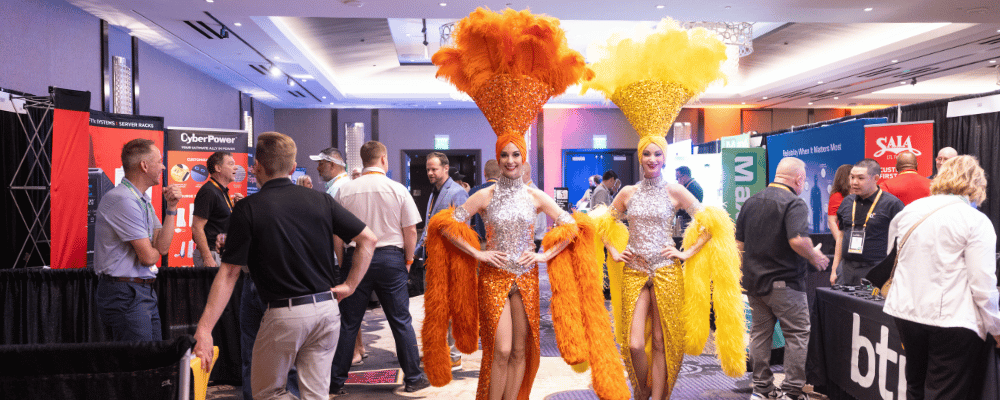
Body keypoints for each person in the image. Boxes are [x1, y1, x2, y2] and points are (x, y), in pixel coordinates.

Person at [425, 8, 627, 400]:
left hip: (528, 275)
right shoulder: (484, 193)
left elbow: (572, 225)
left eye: (517, 156)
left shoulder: (536, 196)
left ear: (524, 159)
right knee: (498, 350)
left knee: (521, 349)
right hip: (495, 275)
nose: (512, 162)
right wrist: (480, 255)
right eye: (506, 156)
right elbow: (446, 228)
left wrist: (542, 255)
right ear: (498, 159)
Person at [582, 19, 744, 400]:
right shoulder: (627, 193)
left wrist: (686, 251)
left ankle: (658, 397)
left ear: (665, 157)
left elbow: (712, 221)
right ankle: (642, 391)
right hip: (636, 267)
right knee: (635, 342)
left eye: (658, 153)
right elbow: (603, 225)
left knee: (662, 338)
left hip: (668, 270)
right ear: (639, 157)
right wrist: (612, 251)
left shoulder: (674, 191)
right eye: (646, 153)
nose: (652, 158)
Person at [193, 132, 378, 400]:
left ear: (256, 167)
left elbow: (230, 273)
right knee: (316, 394)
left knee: (267, 393)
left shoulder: (247, 208)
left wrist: (204, 329)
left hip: (285, 313)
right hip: (327, 310)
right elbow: (368, 240)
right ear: (292, 169)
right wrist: (350, 285)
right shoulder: (322, 200)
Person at [883, 155, 1000, 400]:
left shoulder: (909, 211)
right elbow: (982, 284)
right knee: (944, 392)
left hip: (905, 312)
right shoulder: (975, 221)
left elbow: (892, 259)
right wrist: (996, 326)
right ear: (977, 185)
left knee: (915, 385)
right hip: (950, 319)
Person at [329, 141, 429, 393]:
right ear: (383, 159)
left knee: (349, 322)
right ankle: (414, 379)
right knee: (400, 320)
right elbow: (410, 231)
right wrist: (407, 261)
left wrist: (343, 263)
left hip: (355, 257)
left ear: (362, 161)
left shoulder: (346, 190)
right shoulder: (397, 189)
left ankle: (336, 382)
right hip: (390, 258)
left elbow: (337, 234)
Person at [736, 157, 830, 400]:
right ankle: (792, 392)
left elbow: (738, 245)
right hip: (786, 284)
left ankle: (761, 390)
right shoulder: (794, 203)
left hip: (755, 284)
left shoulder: (751, 201)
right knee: (797, 335)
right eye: (804, 180)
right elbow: (797, 240)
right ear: (798, 179)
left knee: (759, 336)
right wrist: (815, 257)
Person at [94, 138, 181, 341]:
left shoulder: (141, 200)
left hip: (141, 291)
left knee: (152, 360)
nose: (163, 166)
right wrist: (154, 249)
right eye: (159, 161)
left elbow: (163, 247)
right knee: (139, 364)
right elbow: (149, 258)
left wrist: (172, 208)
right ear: (144, 165)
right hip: (125, 293)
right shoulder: (123, 199)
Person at [416, 151, 469, 368]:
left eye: (434, 169)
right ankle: (438, 350)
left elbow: (462, 230)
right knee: (436, 306)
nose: (430, 172)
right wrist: (418, 250)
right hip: (432, 258)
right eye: (428, 169)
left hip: (450, 259)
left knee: (450, 308)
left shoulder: (456, 192)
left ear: (445, 169)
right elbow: (429, 225)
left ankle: (454, 355)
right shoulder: (434, 192)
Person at [831, 159, 904, 286]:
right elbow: (841, 236)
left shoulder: (892, 204)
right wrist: (834, 269)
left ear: (876, 178)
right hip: (845, 269)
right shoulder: (847, 201)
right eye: (852, 177)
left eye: (860, 178)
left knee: (869, 306)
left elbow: (902, 240)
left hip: (875, 270)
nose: (854, 182)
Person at [192, 151, 242, 269]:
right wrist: (207, 257)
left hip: (222, 253)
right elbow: (196, 227)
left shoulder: (221, 191)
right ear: (218, 168)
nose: (235, 167)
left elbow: (221, 220)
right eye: (230, 164)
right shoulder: (209, 191)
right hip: (212, 254)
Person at [827, 164, 852, 280]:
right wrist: (841, 241)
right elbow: (832, 221)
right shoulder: (837, 196)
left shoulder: (858, 195)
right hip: (842, 241)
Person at [469, 159, 500, 241]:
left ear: (484, 173)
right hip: (500, 243)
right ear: (501, 173)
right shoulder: (507, 191)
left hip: (478, 242)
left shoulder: (473, 191)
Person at [522, 163, 548, 252]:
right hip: (529, 239)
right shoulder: (525, 191)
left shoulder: (533, 193)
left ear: (526, 174)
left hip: (531, 240)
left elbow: (537, 225)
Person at [674, 166, 703, 232]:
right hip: (686, 219)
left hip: (688, 220)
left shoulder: (693, 187)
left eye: (678, 177)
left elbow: (684, 206)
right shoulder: (689, 186)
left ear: (685, 176)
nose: (677, 179)